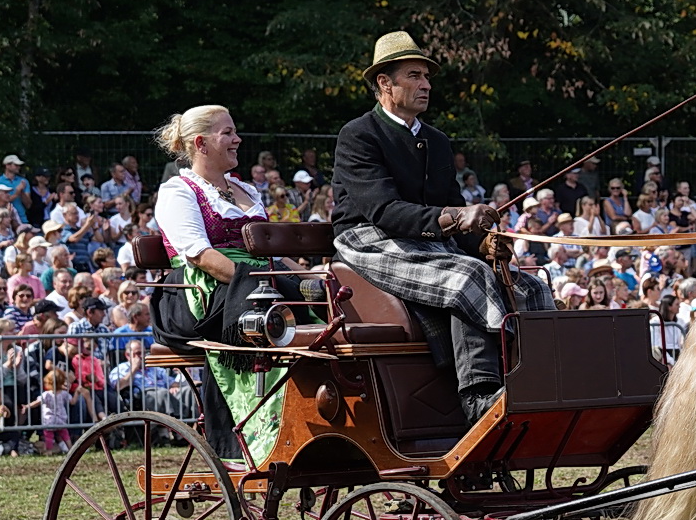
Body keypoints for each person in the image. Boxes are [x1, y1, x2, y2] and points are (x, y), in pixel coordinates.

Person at [331, 31, 511, 425]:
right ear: (384, 83)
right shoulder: (358, 135)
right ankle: (479, 394)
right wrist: (454, 220)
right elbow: (384, 211)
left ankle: (534, 378)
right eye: (414, 75)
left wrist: (484, 242)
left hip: (425, 243)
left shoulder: (437, 141)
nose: (426, 84)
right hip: (367, 240)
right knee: (468, 277)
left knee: (526, 284)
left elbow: (458, 216)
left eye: (427, 77)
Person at [149, 103, 303, 460]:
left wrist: (308, 279)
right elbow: (201, 256)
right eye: (228, 133)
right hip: (198, 292)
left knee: (318, 298)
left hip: (255, 281)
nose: (238, 139)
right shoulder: (179, 191)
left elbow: (272, 249)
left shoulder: (245, 189)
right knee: (262, 299)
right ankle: (248, 432)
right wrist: (264, 280)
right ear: (201, 144)